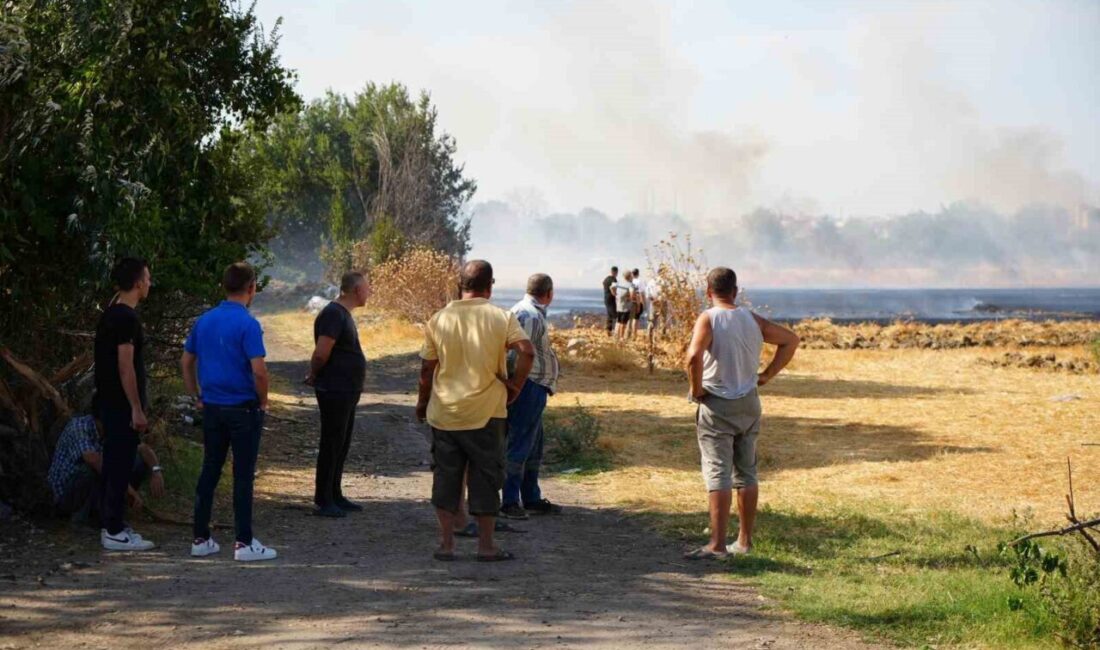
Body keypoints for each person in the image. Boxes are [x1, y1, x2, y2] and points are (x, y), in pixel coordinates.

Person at [416, 260, 534, 562]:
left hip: (445, 412)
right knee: (486, 477)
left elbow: (428, 368)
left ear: (460, 285)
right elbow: (527, 351)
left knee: (446, 478)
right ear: (490, 286)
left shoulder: (438, 319)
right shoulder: (501, 317)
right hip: (487, 412)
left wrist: (422, 402)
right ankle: (486, 547)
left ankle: (446, 545)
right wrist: (515, 386)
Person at [684, 267, 799, 559]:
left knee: (718, 472)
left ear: (708, 292)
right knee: (746, 472)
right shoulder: (751, 319)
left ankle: (717, 544)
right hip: (748, 401)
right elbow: (790, 340)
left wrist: (696, 389)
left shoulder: (708, 318)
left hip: (717, 403)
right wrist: (767, 375)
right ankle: (745, 542)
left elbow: (693, 357)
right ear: (736, 291)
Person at [181, 262, 276, 562]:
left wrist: (195, 394)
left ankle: (201, 537)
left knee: (210, 469)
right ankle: (243, 541)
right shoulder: (248, 324)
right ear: (252, 288)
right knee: (243, 475)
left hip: (212, 407)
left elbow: (186, 361)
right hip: (242, 408)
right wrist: (263, 401)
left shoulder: (204, 320)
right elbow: (259, 371)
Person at [93, 257, 156, 551]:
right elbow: (125, 366)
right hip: (120, 406)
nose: (149, 283)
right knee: (119, 466)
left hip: (108, 402)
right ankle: (114, 530)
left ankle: (111, 524)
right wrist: (135, 407)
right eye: (147, 278)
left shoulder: (110, 313)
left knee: (115, 464)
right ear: (137, 282)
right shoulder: (126, 318)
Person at [306, 271, 370, 518]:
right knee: (332, 443)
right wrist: (313, 374)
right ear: (356, 290)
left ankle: (335, 493)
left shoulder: (344, 314)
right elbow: (322, 352)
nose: (369, 292)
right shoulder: (333, 314)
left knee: (341, 443)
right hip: (335, 389)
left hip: (347, 389)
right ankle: (323, 499)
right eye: (367, 288)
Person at [500, 273, 562, 520]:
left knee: (533, 446)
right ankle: (510, 500)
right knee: (519, 444)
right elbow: (516, 354)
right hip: (528, 386)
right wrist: (515, 385)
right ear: (549, 293)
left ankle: (531, 497)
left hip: (534, 386)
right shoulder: (529, 315)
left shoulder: (530, 312)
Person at [48, 412, 165, 526]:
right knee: (89, 469)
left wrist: (156, 471)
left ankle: (109, 512)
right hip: (66, 493)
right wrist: (127, 488)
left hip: (94, 489)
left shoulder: (111, 429)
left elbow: (143, 449)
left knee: (137, 460)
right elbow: (93, 460)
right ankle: (79, 521)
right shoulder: (78, 427)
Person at [614, 270, 635, 339]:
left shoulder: (619, 283)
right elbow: (632, 293)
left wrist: (615, 294)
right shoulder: (630, 285)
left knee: (619, 321)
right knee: (624, 322)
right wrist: (630, 299)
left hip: (618, 305)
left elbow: (611, 287)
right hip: (626, 306)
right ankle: (621, 337)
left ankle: (617, 335)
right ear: (629, 276)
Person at [602, 266, 619, 336]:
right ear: (616, 272)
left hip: (606, 298)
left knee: (609, 314)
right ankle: (615, 331)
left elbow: (603, 283)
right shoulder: (614, 280)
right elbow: (613, 289)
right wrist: (616, 295)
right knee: (615, 315)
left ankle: (608, 330)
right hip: (611, 298)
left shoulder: (606, 279)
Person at [630, 268, 646, 338]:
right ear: (638, 274)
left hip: (630, 301)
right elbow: (641, 293)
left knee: (629, 319)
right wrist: (644, 303)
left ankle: (628, 334)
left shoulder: (630, 281)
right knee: (636, 319)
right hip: (637, 301)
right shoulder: (640, 282)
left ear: (632, 274)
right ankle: (634, 334)